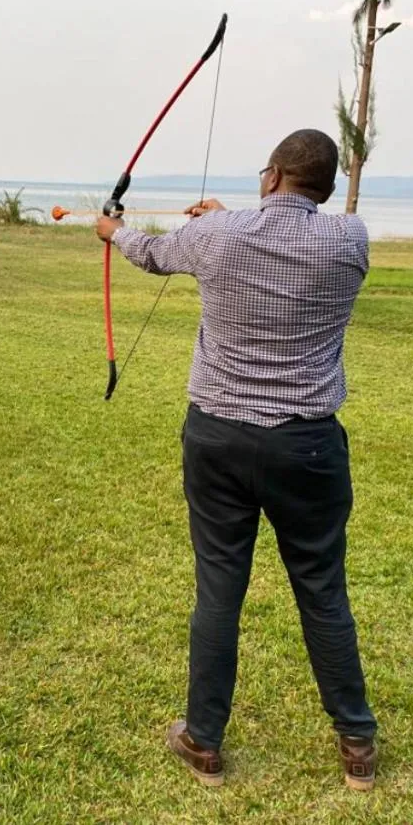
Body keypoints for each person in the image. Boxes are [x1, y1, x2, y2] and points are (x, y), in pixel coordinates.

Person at [95, 128, 379, 791]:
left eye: (265, 173)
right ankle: (357, 744)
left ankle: (203, 740)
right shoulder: (350, 239)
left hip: (219, 440)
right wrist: (228, 221)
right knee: (323, 591)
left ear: (274, 177)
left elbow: (155, 252)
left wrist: (111, 230)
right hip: (307, 446)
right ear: (326, 187)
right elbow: (280, 244)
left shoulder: (219, 238)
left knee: (220, 588)